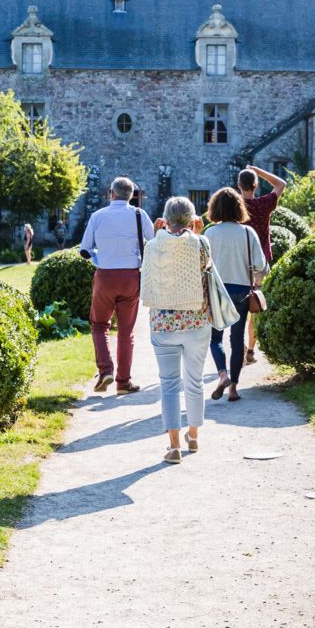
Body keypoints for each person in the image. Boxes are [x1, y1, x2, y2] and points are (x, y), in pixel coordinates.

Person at [139, 197, 214, 463]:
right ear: (193, 219)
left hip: (163, 323)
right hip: (196, 321)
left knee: (169, 385)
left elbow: (146, 275)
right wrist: (195, 231)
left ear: (164, 219)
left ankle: (173, 447)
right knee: (194, 381)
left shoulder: (152, 246)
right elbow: (208, 269)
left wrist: (161, 232)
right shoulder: (201, 242)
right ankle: (192, 436)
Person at [79, 177, 154, 393]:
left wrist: (97, 253)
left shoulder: (98, 216)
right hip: (131, 276)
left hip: (105, 276)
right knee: (126, 331)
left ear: (111, 193)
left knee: (100, 325)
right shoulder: (140, 215)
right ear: (132, 196)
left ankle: (105, 371)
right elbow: (153, 240)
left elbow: (84, 250)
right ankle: (123, 382)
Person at [202, 188, 265, 402]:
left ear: (215, 208)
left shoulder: (209, 233)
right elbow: (261, 266)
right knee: (237, 340)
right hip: (241, 291)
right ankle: (234, 389)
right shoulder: (248, 233)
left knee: (215, 338)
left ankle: (222, 374)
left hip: (217, 291)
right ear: (240, 208)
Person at [237, 164, 286, 363]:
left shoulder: (234, 207)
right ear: (256, 185)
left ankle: (238, 345)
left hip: (238, 263)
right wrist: (259, 171)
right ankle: (250, 350)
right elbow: (281, 184)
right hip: (260, 262)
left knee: (236, 306)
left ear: (239, 185)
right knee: (255, 307)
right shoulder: (263, 205)